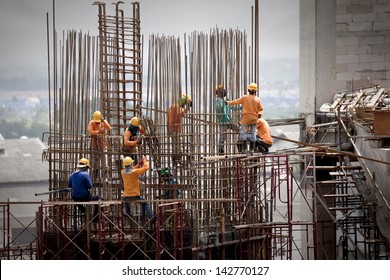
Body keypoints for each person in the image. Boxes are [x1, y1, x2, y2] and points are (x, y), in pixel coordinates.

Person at [226, 83, 263, 153]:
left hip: (246, 119)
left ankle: (245, 149)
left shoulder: (245, 98)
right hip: (254, 119)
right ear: (255, 91)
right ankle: (252, 149)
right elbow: (261, 109)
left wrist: (228, 103)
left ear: (248, 90)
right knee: (253, 133)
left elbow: (236, 102)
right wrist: (259, 114)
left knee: (243, 133)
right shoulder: (258, 99)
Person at [121, 155, 154, 220]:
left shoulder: (122, 172)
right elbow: (146, 167)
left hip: (126, 196)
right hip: (135, 196)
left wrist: (139, 163)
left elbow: (131, 169)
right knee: (145, 203)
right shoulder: (135, 172)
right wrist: (144, 160)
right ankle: (152, 217)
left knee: (124, 200)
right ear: (131, 164)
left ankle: (128, 215)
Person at [167, 93, 192, 164]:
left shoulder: (173, 106)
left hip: (172, 128)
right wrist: (187, 109)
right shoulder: (177, 107)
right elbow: (181, 114)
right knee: (178, 144)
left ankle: (175, 159)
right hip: (175, 128)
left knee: (175, 144)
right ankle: (177, 159)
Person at [215, 85, 240, 154]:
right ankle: (220, 149)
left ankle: (240, 143)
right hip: (222, 121)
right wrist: (224, 103)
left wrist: (242, 106)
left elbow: (234, 108)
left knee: (239, 129)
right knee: (222, 137)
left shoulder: (225, 101)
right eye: (222, 90)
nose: (224, 91)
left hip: (229, 121)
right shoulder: (217, 100)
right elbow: (219, 107)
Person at [88, 110, 112, 180]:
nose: (97, 122)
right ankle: (95, 177)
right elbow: (91, 132)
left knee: (105, 163)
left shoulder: (103, 122)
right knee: (96, 163)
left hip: (103, 145)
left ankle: (105, 177)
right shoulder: (91, 123)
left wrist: (104, 121)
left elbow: (109, 128)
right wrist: (98, 131)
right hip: (95, 146)